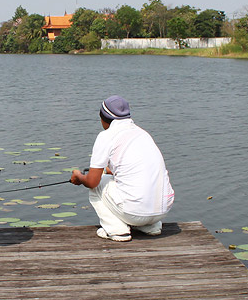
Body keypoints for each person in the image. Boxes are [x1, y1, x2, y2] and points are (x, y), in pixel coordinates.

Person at [70, 95, 174, 241]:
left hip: (135, 211)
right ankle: (150, 226)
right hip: (163, 209)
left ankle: (117, 230)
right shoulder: (142, 133)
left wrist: (79, 177)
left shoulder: (106, 136)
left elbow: (92, 181)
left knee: (97, 186)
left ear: (103, 119)